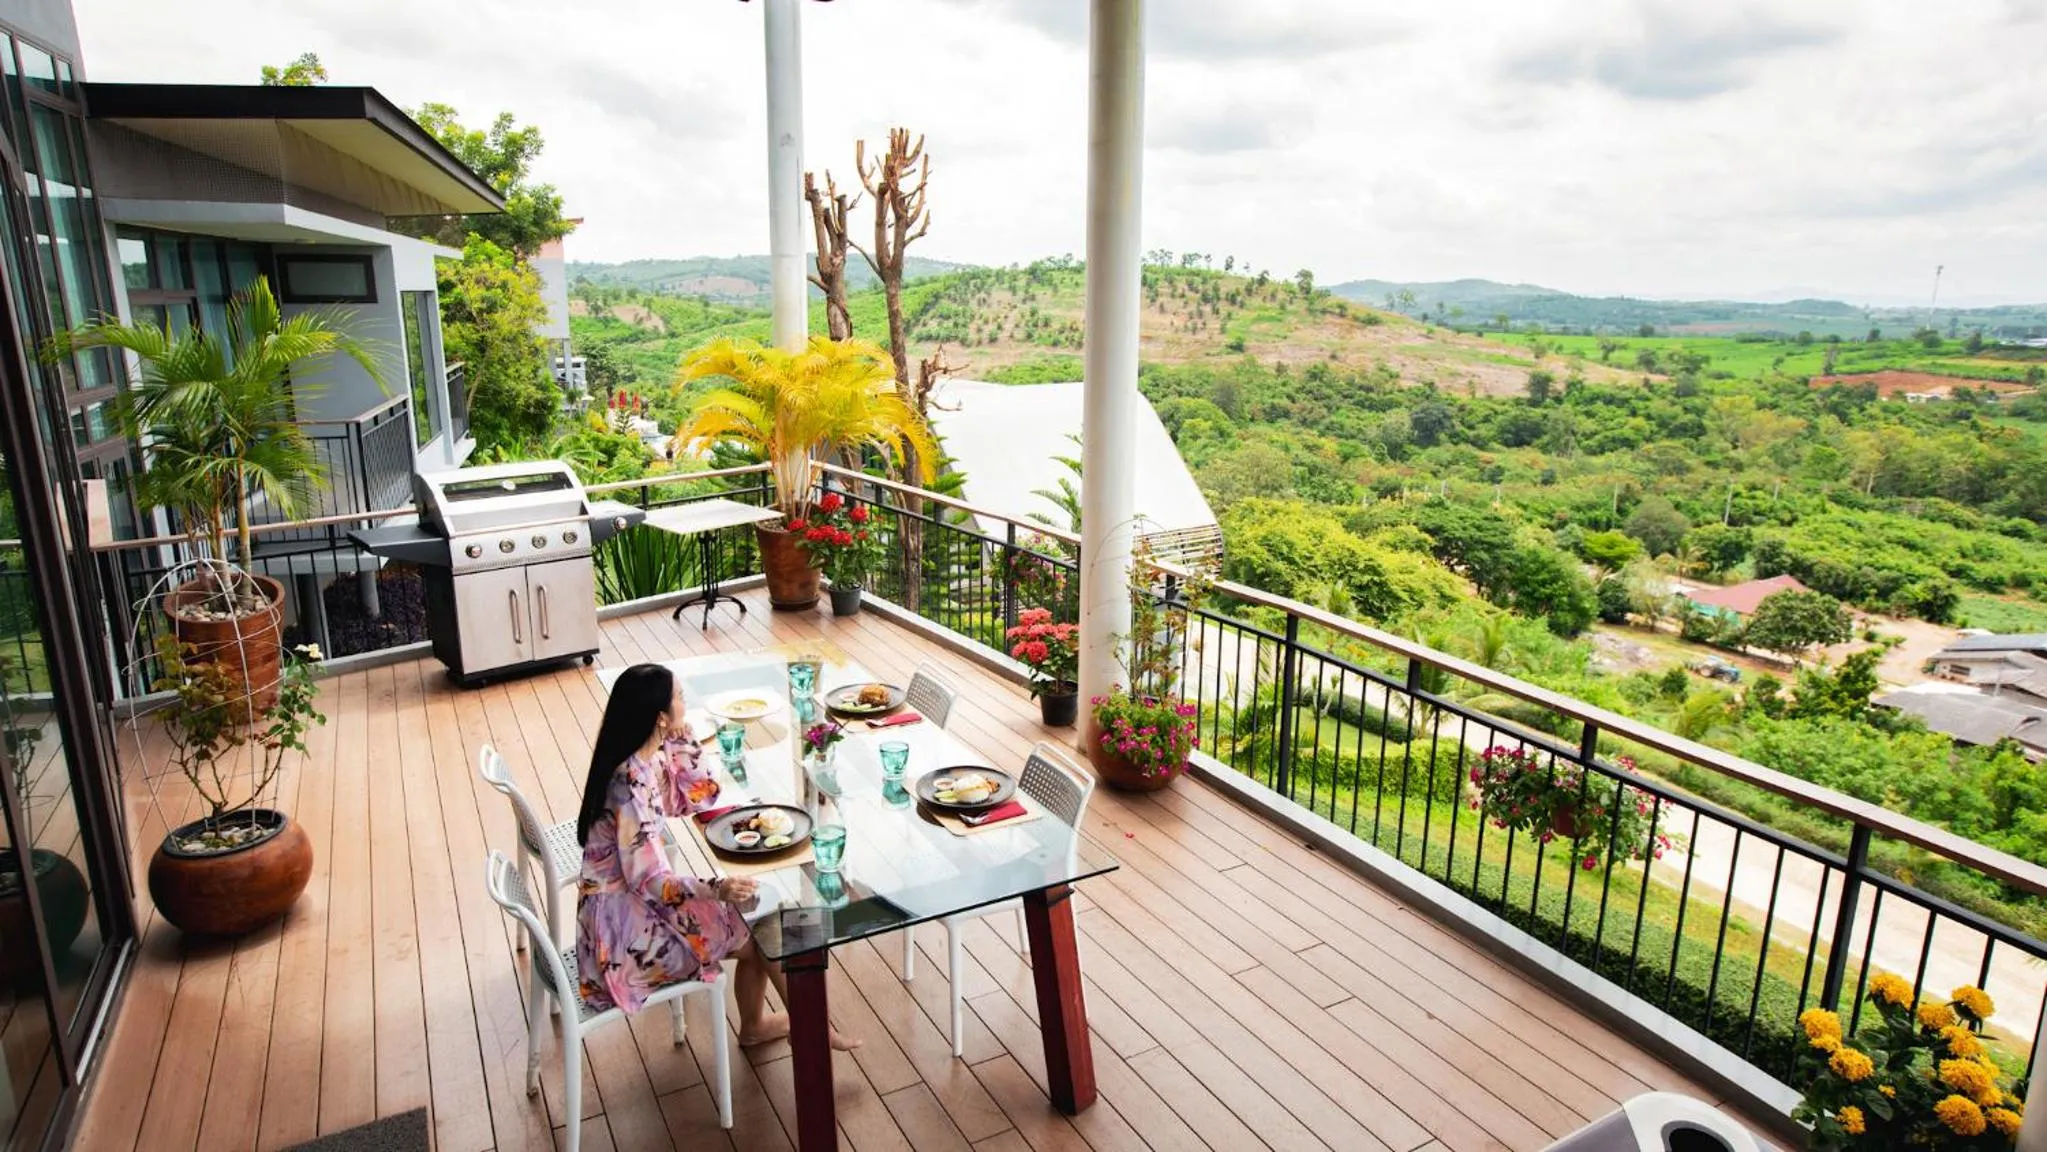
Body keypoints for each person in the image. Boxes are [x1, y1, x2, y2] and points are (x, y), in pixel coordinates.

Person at [576, 663, 856, 1049]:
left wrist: (680, 738)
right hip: (622, 941)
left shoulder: (643, 759)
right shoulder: (629, 784)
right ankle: (811, 1031)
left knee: (757, 920)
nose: (684, 700)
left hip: (627, 910)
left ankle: (765, 1025)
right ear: (659, 716)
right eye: (678, 697)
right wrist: (717, 888)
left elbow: (698, 797)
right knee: (763, 930)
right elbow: (651, 882)